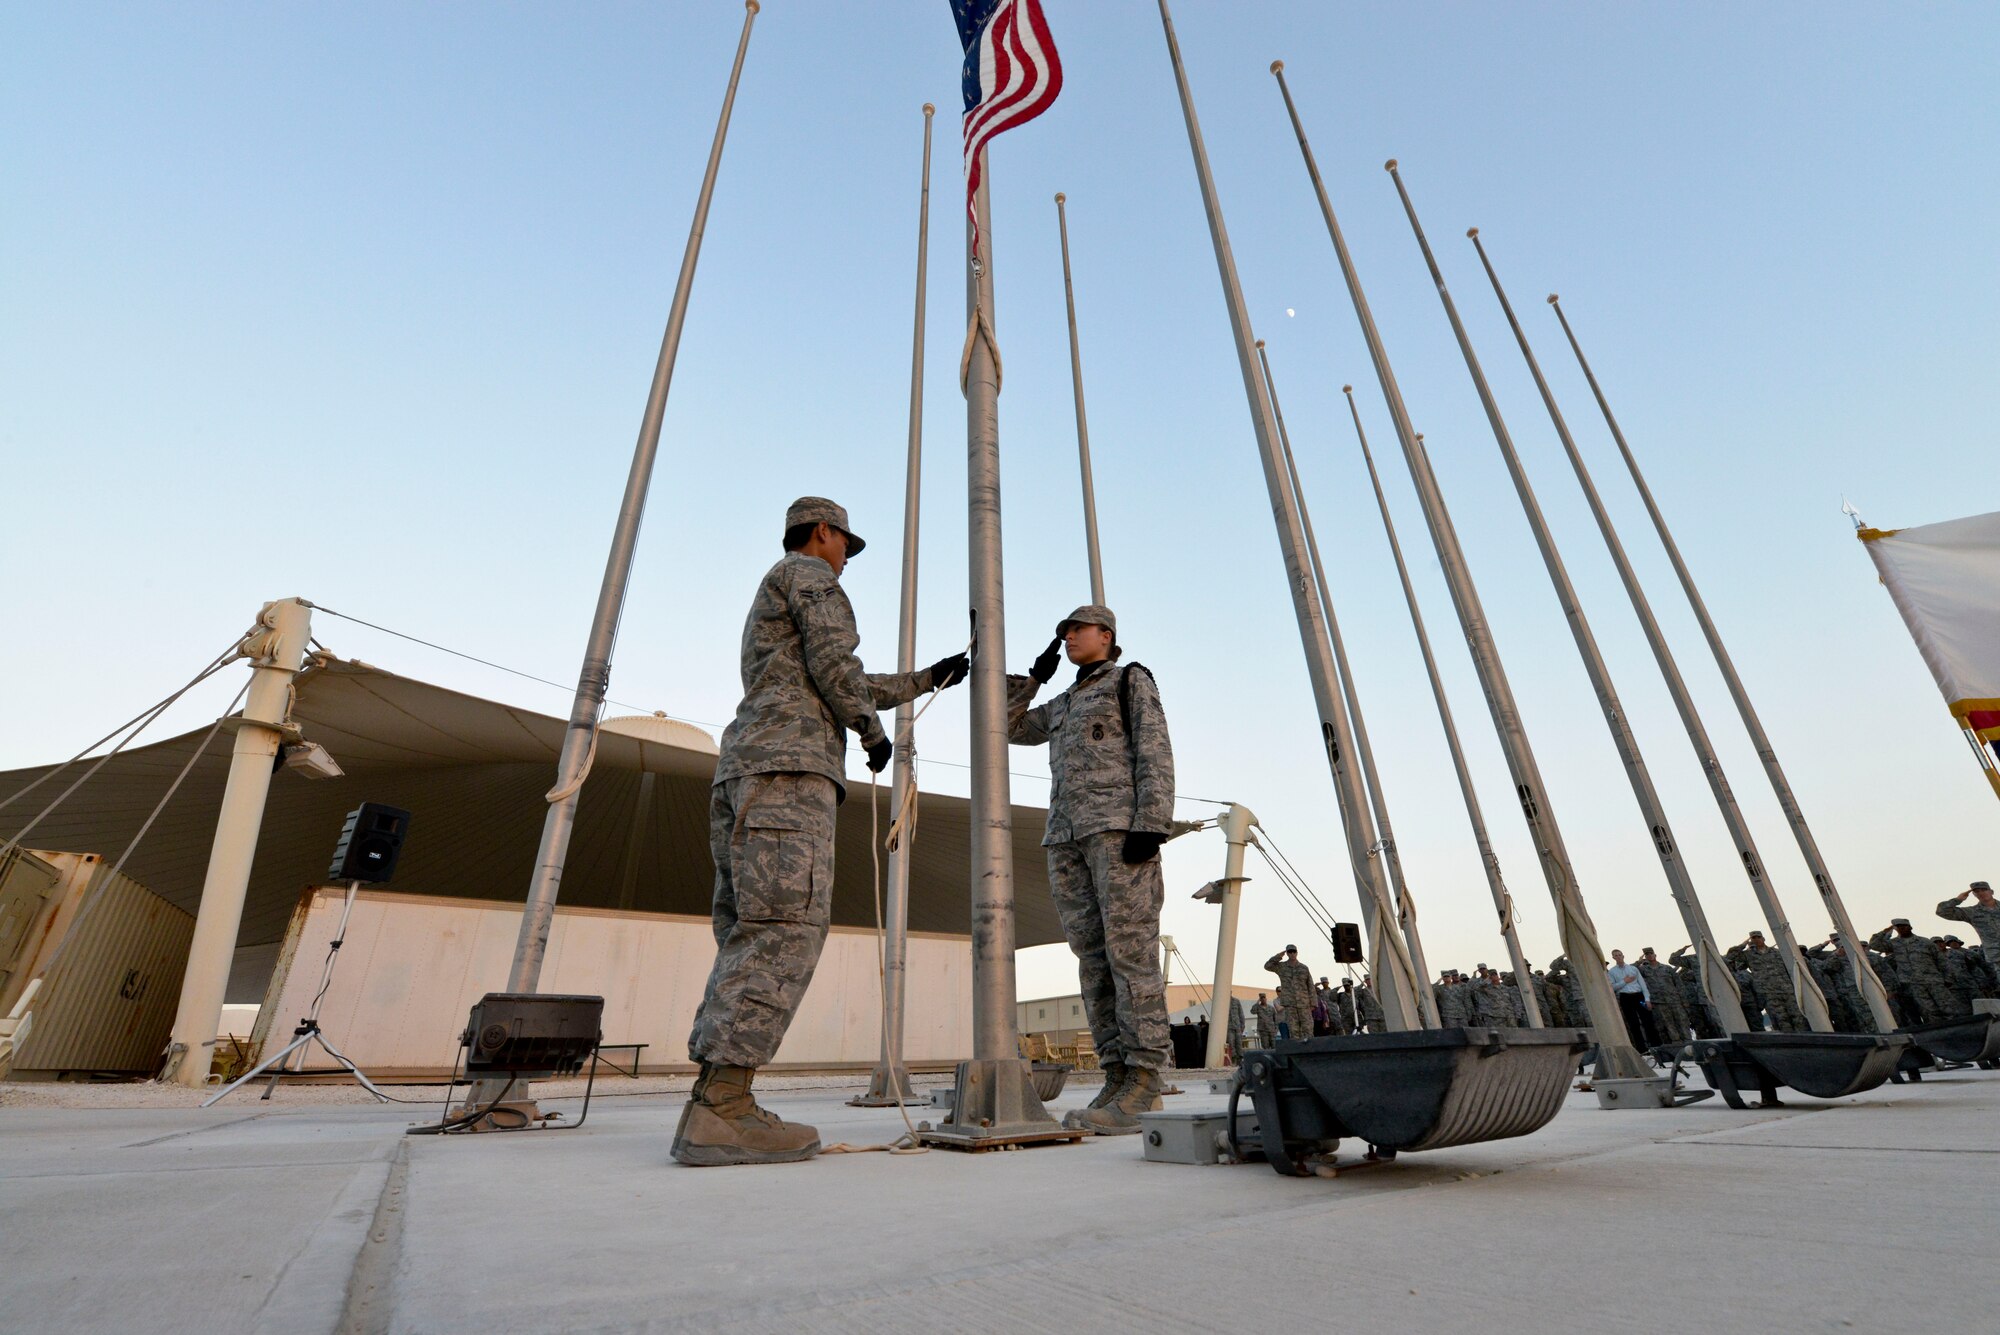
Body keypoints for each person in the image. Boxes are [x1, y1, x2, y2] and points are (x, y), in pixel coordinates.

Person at [675, 498, 969, 1167]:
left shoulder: (780, 588)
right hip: (788, 774)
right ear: (824, 532)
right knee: (785, 929)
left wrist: (929, 679)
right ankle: (724, 1107)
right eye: (844, 544)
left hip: (750, 771)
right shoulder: (811, 574)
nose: (845, 559)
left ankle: (716, 1096)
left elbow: (837, 673)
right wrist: (870, 730)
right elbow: (839, 664)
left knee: (753, 932)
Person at [1008, 604, 1175, 1134]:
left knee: (1131, 954)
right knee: (1093, 958)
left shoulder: (1129, 681)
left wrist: (1151, 821)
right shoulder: (1062, 702)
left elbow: (1155, 750)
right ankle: (1116, 1073)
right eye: (1063, 633)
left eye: (1076, 630)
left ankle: (1146, 1079)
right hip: (1066, 836)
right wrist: (1034, 678)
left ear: (1106, 634)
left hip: (1119, 832)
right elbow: (1007, 726)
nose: (1069, 638)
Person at [1868, 918, 1965, 1024]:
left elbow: (1941, 961)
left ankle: (1960, 1027)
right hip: (1913, 984)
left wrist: (1947, 978)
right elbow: (1874, 944)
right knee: (1928, 1011)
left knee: (1948, 1007)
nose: (1902, 929)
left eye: (1904, 926)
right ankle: (1939, 1032)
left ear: (1910, 927)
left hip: (1933, 980)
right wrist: (1886, 930)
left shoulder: (1925, 942)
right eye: (1898, 927)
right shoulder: (1894, 944)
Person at [1725, 931, 1808, 1033]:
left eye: (1758, 937)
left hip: (1787, 990)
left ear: (1763, 938)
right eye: (1753, 938)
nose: (1756, 939)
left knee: (1798, 1017)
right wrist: (1742, 945)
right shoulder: (1748, 955)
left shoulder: (1777, 952)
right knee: (1781, 1021)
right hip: (1768, 994)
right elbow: (1729, 958)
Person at [1937, 881, 2000, 975]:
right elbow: (1942, 911)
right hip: (1997, 955)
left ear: (1991, 891)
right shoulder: (1972, 912)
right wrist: (1958, 899)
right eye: (1977, 891)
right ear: (1974, 894)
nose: (1981, 893)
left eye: (1984, 890)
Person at [1264, 944, 1314, 1042]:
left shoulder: (1304, 968)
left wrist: (1313, 1003)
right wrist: (1279, 956)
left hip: (1304, 1004)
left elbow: (1310, 986)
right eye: (1289, 952)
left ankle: (1309, 1051)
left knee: (1307, 1029)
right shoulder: (1281, 967)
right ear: (1287, 953)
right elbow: (1267, 966)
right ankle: (1297, 1052)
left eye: (1293, 951)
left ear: (1297, 953)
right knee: (1294, 1030)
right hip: (1290, 1004)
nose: (1292, 954)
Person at [1606, 949, 1654, 1050]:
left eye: (1620, 955)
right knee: (1633, 1023)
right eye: (1616, 955)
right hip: (1626, 998)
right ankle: (1642, 1048)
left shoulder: (1633, 969)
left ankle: (1655, 1045)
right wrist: (1624, 981)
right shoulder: (1612, 972)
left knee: (1648, 1020)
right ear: (1613, 958)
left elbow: (1642, 985)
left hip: (1639, 996)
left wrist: (1647, 999)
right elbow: (1612, 987)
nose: (1618, 957)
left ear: (1623, 956)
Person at [1227, 994, 1246, 1063]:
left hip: (1237, 1026)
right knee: (1231, 1043)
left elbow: (1241, 1013)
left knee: (1239, 1043)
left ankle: (1240, 1059)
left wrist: (1243, 1025)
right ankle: (1234, 1058)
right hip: (1229, 1027)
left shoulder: (1236, 1001)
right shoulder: (1223, 1001)